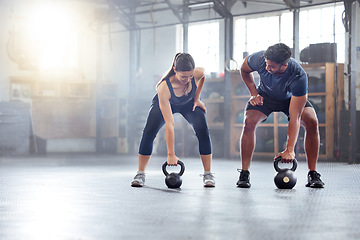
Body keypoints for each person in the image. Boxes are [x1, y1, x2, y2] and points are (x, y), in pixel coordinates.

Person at [236, 43, 325, 188]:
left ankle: (313, 174)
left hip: (290, 100)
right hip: (265, 97)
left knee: (312, 121)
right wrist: (254, 93)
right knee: (249, 122)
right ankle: (244, 173)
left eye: (271, 67)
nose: (267, 68)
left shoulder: (298, 76)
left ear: (284, 66)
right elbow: (244, 69)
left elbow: (294, 116)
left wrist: (290, 149)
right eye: (266, 64)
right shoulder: (260, 58)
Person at [131, 53, 215, 188]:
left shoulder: (197, 73)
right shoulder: (164, 87)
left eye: (190, 76)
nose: (187, 80)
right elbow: (170, 124)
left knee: (203, 131)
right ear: (175, 70)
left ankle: (208, 174)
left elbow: (203, 76)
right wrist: (171, 155)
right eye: (183, 77)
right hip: (165, 103)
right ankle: (140, 173)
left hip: (188, 103)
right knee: (148, 133)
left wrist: (197, 98)